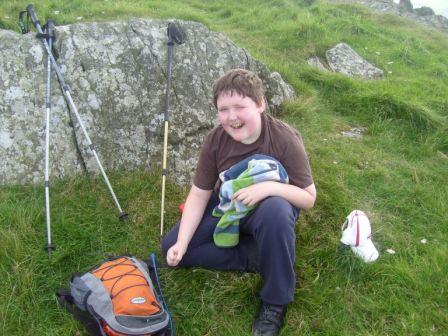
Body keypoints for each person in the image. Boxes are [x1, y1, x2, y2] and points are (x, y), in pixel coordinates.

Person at [161, 68, 316, 336]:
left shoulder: (284, 138)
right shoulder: (215, 140)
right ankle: (259, 256)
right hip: (227, 206)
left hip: (268, 211)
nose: (231, 117)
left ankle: (275, 301)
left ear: (260, 104)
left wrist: (269, 187)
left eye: (240, 107)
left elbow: (308, 197)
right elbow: (199, 193)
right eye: (223, 109)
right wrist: (182, 243)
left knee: (276, 212)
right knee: (171, 250)